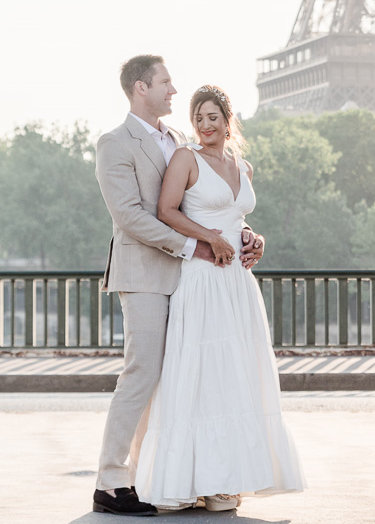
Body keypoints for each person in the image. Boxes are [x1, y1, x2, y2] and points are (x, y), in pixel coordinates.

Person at [93, 56, 265, 517]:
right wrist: (197, 246)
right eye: (166, 82)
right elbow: (129, 216)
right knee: (142, 374)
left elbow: (209, 202)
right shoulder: (114, 143)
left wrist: (241, 235)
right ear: (140, 88)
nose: (174, 90)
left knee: (180, 380)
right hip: (148, 273)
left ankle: (152, 475)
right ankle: (111, 482)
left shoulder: (176, 142)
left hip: (192, 277)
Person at [134, 83, 305, 511]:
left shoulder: (242, 166)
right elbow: (167, 211)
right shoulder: (185, 158)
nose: (205, 125)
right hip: (204, 276)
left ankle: (229, 475)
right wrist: (211, 237)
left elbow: (237, 216)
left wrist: (252, 236)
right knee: (205, 372)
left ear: (229, 121)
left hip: (237, 283)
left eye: (213, 117)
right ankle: (201, 480)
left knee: (237, 374)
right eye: (198, 118)